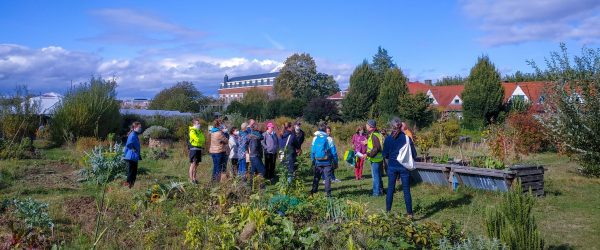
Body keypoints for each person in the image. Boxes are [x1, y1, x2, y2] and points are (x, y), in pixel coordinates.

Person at [383, 118, 417, 216]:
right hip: (404, 166)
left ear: (391, 127)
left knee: (390, 189)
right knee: (406, 190)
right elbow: (414, 154)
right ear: (401, 126)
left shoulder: (388, 139)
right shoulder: (407, 138)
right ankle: (410, 213)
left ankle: (388, 212)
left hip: (392, 166)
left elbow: (385, 155)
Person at [310, 123, 339, 197]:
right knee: (327, 178)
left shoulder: (315, 138)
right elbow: (334, 152)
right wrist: (335, 161)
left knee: (316, 177)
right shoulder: (329, 139)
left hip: (318, 161)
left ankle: (313, 192)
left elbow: (313, 151)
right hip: (327, 162)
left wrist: (313, 160)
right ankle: (328, 194)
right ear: (325, 130)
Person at [359, 119, 385, 196]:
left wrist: (367, 154)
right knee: (379, 176)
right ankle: (380, 190)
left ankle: (376, 193)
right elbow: (377, 145)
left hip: (375, 159)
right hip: (379, 158)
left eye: (367, 125)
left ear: (371, 127)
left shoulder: (374, 135)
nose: (366, 126)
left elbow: (376, 148)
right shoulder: (377, 134)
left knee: (375, 177)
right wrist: (367, 143)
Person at [123, 121, 142, 188]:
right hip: (131, 156)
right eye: (139, 127)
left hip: (134, 156)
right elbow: (128, 144)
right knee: (131, 173)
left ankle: (131, 186)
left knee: (133, 172)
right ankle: (128, 186)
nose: (140, 128)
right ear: (134, 128)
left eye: (140, 127)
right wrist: (134, 149)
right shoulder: (132, 135)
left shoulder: (134, 135)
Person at [188, 119, 205, 184]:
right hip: (193, 149)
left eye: (199, 123)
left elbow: (203, 139)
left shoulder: (199, 131)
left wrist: (200, 140)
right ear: (194, 124)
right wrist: (200, 140)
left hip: (199, 149)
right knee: (193, 164)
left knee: (196, 165)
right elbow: (197, 139)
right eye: (197, 123)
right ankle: (191, 179)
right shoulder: (192, 131)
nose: (199, 125)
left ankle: (195, 178)